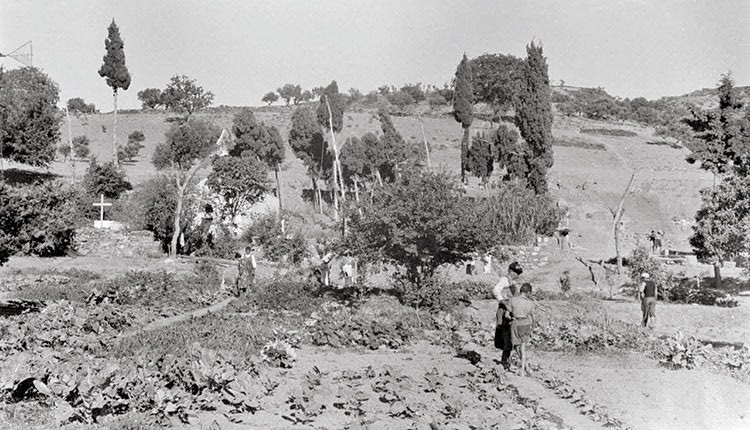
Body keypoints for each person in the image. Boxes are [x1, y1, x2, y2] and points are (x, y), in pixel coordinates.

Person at [508, 283, 535, 376]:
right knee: (523, 347)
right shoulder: (530, 303)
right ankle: (526, 368)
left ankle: (523, 369)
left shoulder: (513, 300)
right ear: (528, 292)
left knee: (516, 347)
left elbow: (508, 313)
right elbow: (531, 315)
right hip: (526, 324)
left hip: (516, 323)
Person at [494, 284, 517, 370]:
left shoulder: (508, 302)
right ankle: (504, 360)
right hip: (506, 319)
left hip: (507, 318)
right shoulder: (504, 304)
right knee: (506, 339)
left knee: (507, 340)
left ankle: (505, 359)